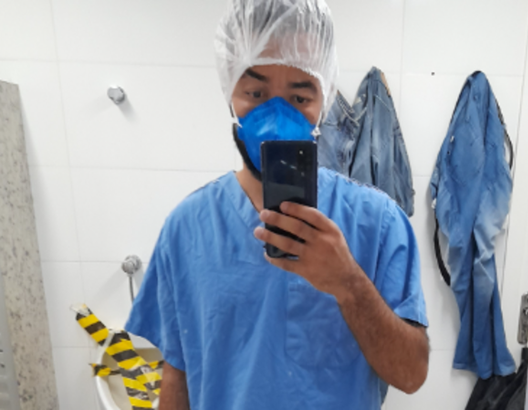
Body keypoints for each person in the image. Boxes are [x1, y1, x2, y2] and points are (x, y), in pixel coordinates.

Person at [125, 0, 429, 409]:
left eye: (300, 97)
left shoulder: (379, 223)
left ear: (323, 103)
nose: (276, 115)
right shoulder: (187, 228)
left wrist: (348, 284)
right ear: (230, 93)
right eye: (256, 93)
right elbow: (177, 373)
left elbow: (411, 375)